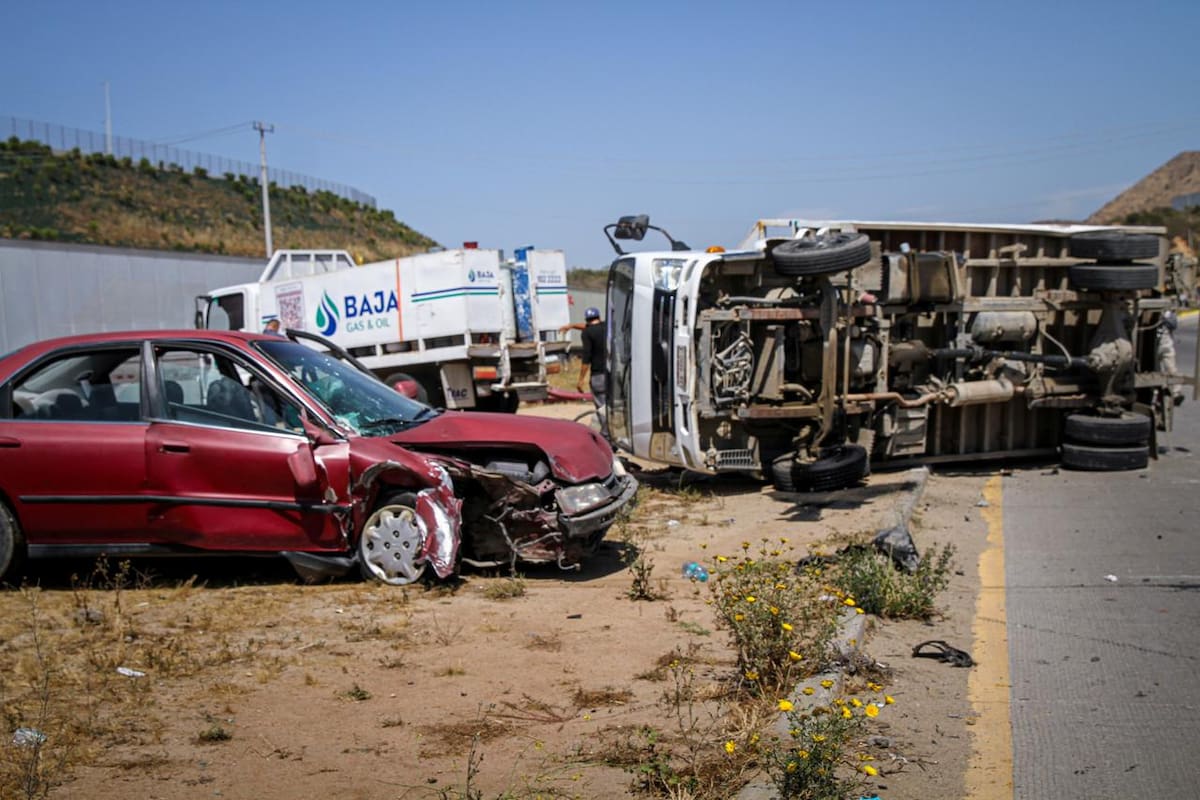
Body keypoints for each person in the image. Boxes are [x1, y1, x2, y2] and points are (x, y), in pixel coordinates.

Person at [566, 307, 608, 437]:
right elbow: (589, 326)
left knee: (601, 407)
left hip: (598, 376)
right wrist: (573, 326)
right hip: (611, 375)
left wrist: (581, 379)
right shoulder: (606, 327)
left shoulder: (587, 333)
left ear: (587, 320)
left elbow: (586, 359)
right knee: (612, 406)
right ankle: (617, 436)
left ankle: (607, 437)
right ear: (599, 317)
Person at [1156, 309, 1185, 406]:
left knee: (1171, 369)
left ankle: (1176, 394)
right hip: (1154, 347)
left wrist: (1163, 318)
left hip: (1166, 346)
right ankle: (1158, 391)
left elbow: (1173, 324)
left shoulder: (1168, 313)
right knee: (1156, 371)